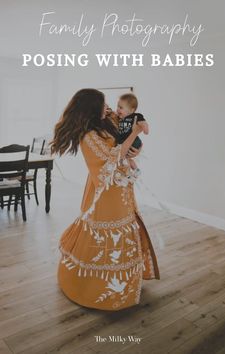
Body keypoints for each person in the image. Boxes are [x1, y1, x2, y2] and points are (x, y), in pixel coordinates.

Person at [50, 88, 160, 311]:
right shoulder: (88, 136)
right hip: (105, 193)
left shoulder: (107, 120)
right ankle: (90, 288)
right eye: (102, 104)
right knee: (105, 237)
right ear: (91, 109)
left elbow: (128, 139)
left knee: (124, 233)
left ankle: (124, 286)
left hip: (121, 189)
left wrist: (135, 146)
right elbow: (110, 161)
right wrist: (132, 136)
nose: (107, 107)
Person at [116, 93, 149, 175]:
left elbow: (143, 122)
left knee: (123, 157)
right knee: (125, 159)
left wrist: (145, 129)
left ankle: (132, 169)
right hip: (125, 141)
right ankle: (135, 170)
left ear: (131, 110)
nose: (118, 110)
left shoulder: (134, 116)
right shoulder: (119, 118)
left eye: (121, 108)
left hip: (134, 141)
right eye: (117, 106)